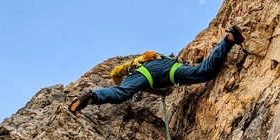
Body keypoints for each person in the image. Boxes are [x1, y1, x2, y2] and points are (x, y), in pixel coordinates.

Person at [68, 25, 246, 115]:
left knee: (121, 93)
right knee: (203, 72)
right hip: (169, 66)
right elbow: (164, 91)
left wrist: (120, 85)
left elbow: (114, 73)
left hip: (145, 73)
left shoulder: (132, 65)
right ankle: (229, 39)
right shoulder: (149, 57)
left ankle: (91, 97)